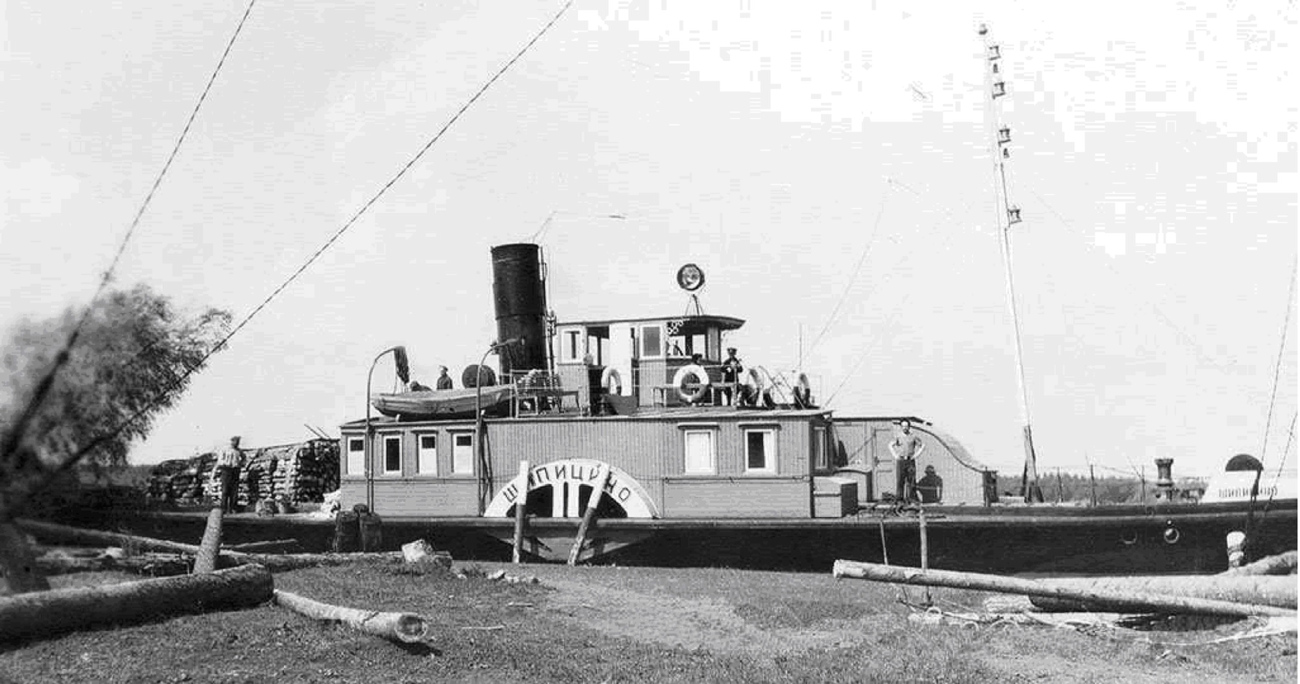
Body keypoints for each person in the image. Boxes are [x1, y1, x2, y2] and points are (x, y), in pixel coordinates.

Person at [889, 420, 925, 502]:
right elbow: (890, 445)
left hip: (910, 461)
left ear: (909, 427)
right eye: (903, 426)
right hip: (901, 461)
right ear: (901, 427)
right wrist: (895, 456)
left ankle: (911, 499)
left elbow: (922, 445)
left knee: (911, 481)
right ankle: (900, 500)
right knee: (900, 481)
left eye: (906, 426)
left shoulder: (913, 436)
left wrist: (916, 455)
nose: (904, 428)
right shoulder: (898, 436)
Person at [217, 435, 245, 514]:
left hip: (235, 470)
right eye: (236, 441)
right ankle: (223, 508)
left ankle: (233, 508)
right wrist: (226, 463)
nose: (237, 443)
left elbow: (244, 458)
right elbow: (220, 461)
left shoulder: (239, 451)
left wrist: (240, 464)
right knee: (225, 490)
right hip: (226, 470)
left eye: (238, 442)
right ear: (232, 441)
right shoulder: (225, 449)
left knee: (234, 490)